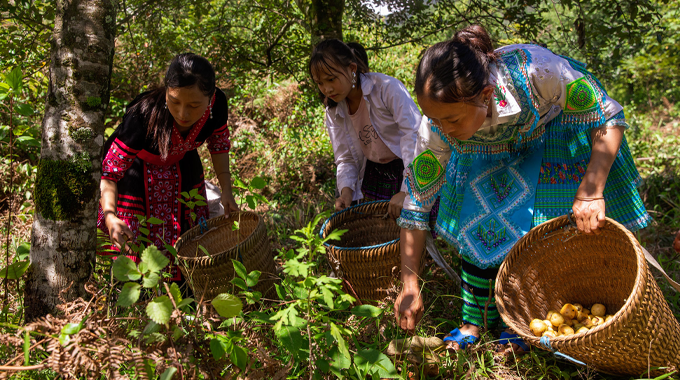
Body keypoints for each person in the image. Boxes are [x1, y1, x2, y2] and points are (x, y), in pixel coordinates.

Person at [394, 25, 650, 355]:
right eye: (436, 120)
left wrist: (590, 190)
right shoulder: (441, 123)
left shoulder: (539, 73)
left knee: (540, 228)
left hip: (552, 135)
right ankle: (475, 322)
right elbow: (417, 201)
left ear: (486, 96)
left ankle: (523, 320)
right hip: (481, 150)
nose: (444, 130)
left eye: (452, 121)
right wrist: (410, 284)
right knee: (477, 219)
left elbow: (608, 117)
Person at [98, 53, 238, 281]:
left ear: (210, 99)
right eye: (174, 102)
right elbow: (110, 172)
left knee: (190, 238)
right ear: (166, 92)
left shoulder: (218, 103)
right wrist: (110, 215)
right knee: (134, 245)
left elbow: (219, 145)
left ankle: (186, 297)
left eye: (194, 105)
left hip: (185, 166)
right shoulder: (143, 115)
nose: (183, 114)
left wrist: (227, 190)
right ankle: (133, 302)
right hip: (137, 175)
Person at [309, 38, 432, 219]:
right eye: (319, 83)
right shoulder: (334, 110)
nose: (326, 88)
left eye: (331, 79)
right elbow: (345, 157)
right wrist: (346, 191)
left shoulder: (387, 89)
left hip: (407, 168)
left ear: (352, 69)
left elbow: (414, 136)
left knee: (414, 230)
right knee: (379, 236)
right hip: (375, 173)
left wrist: (407, 190)